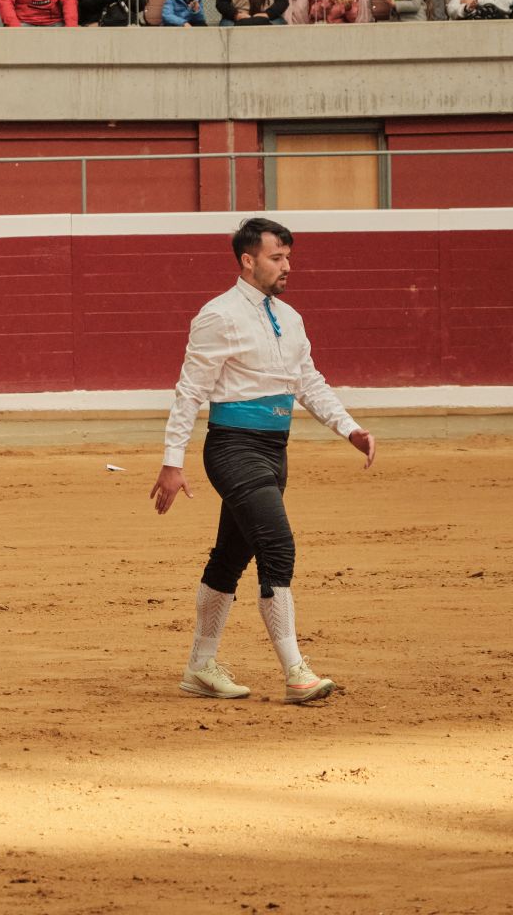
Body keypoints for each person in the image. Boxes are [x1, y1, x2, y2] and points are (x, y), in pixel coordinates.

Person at [150, 218, 373, 706]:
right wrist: (173, 461)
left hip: (274, 449)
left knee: (231, 556)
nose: (287, 266)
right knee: (278, 544)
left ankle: (200, 668)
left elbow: (308, 382)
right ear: (248, 261)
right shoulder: (218, 315)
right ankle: (296, 672)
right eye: (277, 257)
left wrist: (348, 428)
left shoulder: (289, 318)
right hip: (232, 447)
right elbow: (190, 391)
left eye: (289, 257)